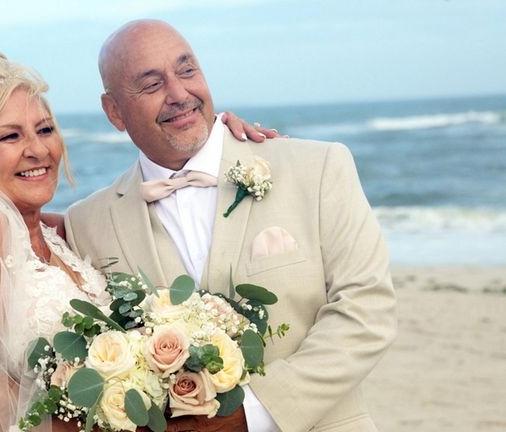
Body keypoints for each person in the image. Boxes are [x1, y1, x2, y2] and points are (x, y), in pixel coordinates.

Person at [0, 48, 273, 432]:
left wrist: (222, 143)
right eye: (10, 136)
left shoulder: (56, 232)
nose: (38, 150)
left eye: (44, 129)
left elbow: (141, 211)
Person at [64, 20, 397, 432]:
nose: (179, 94)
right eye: (152, 85)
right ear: (114, 111)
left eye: (187, 71)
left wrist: (251, 415)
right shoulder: (86, 223)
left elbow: (367, 309)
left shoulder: (317, 168)